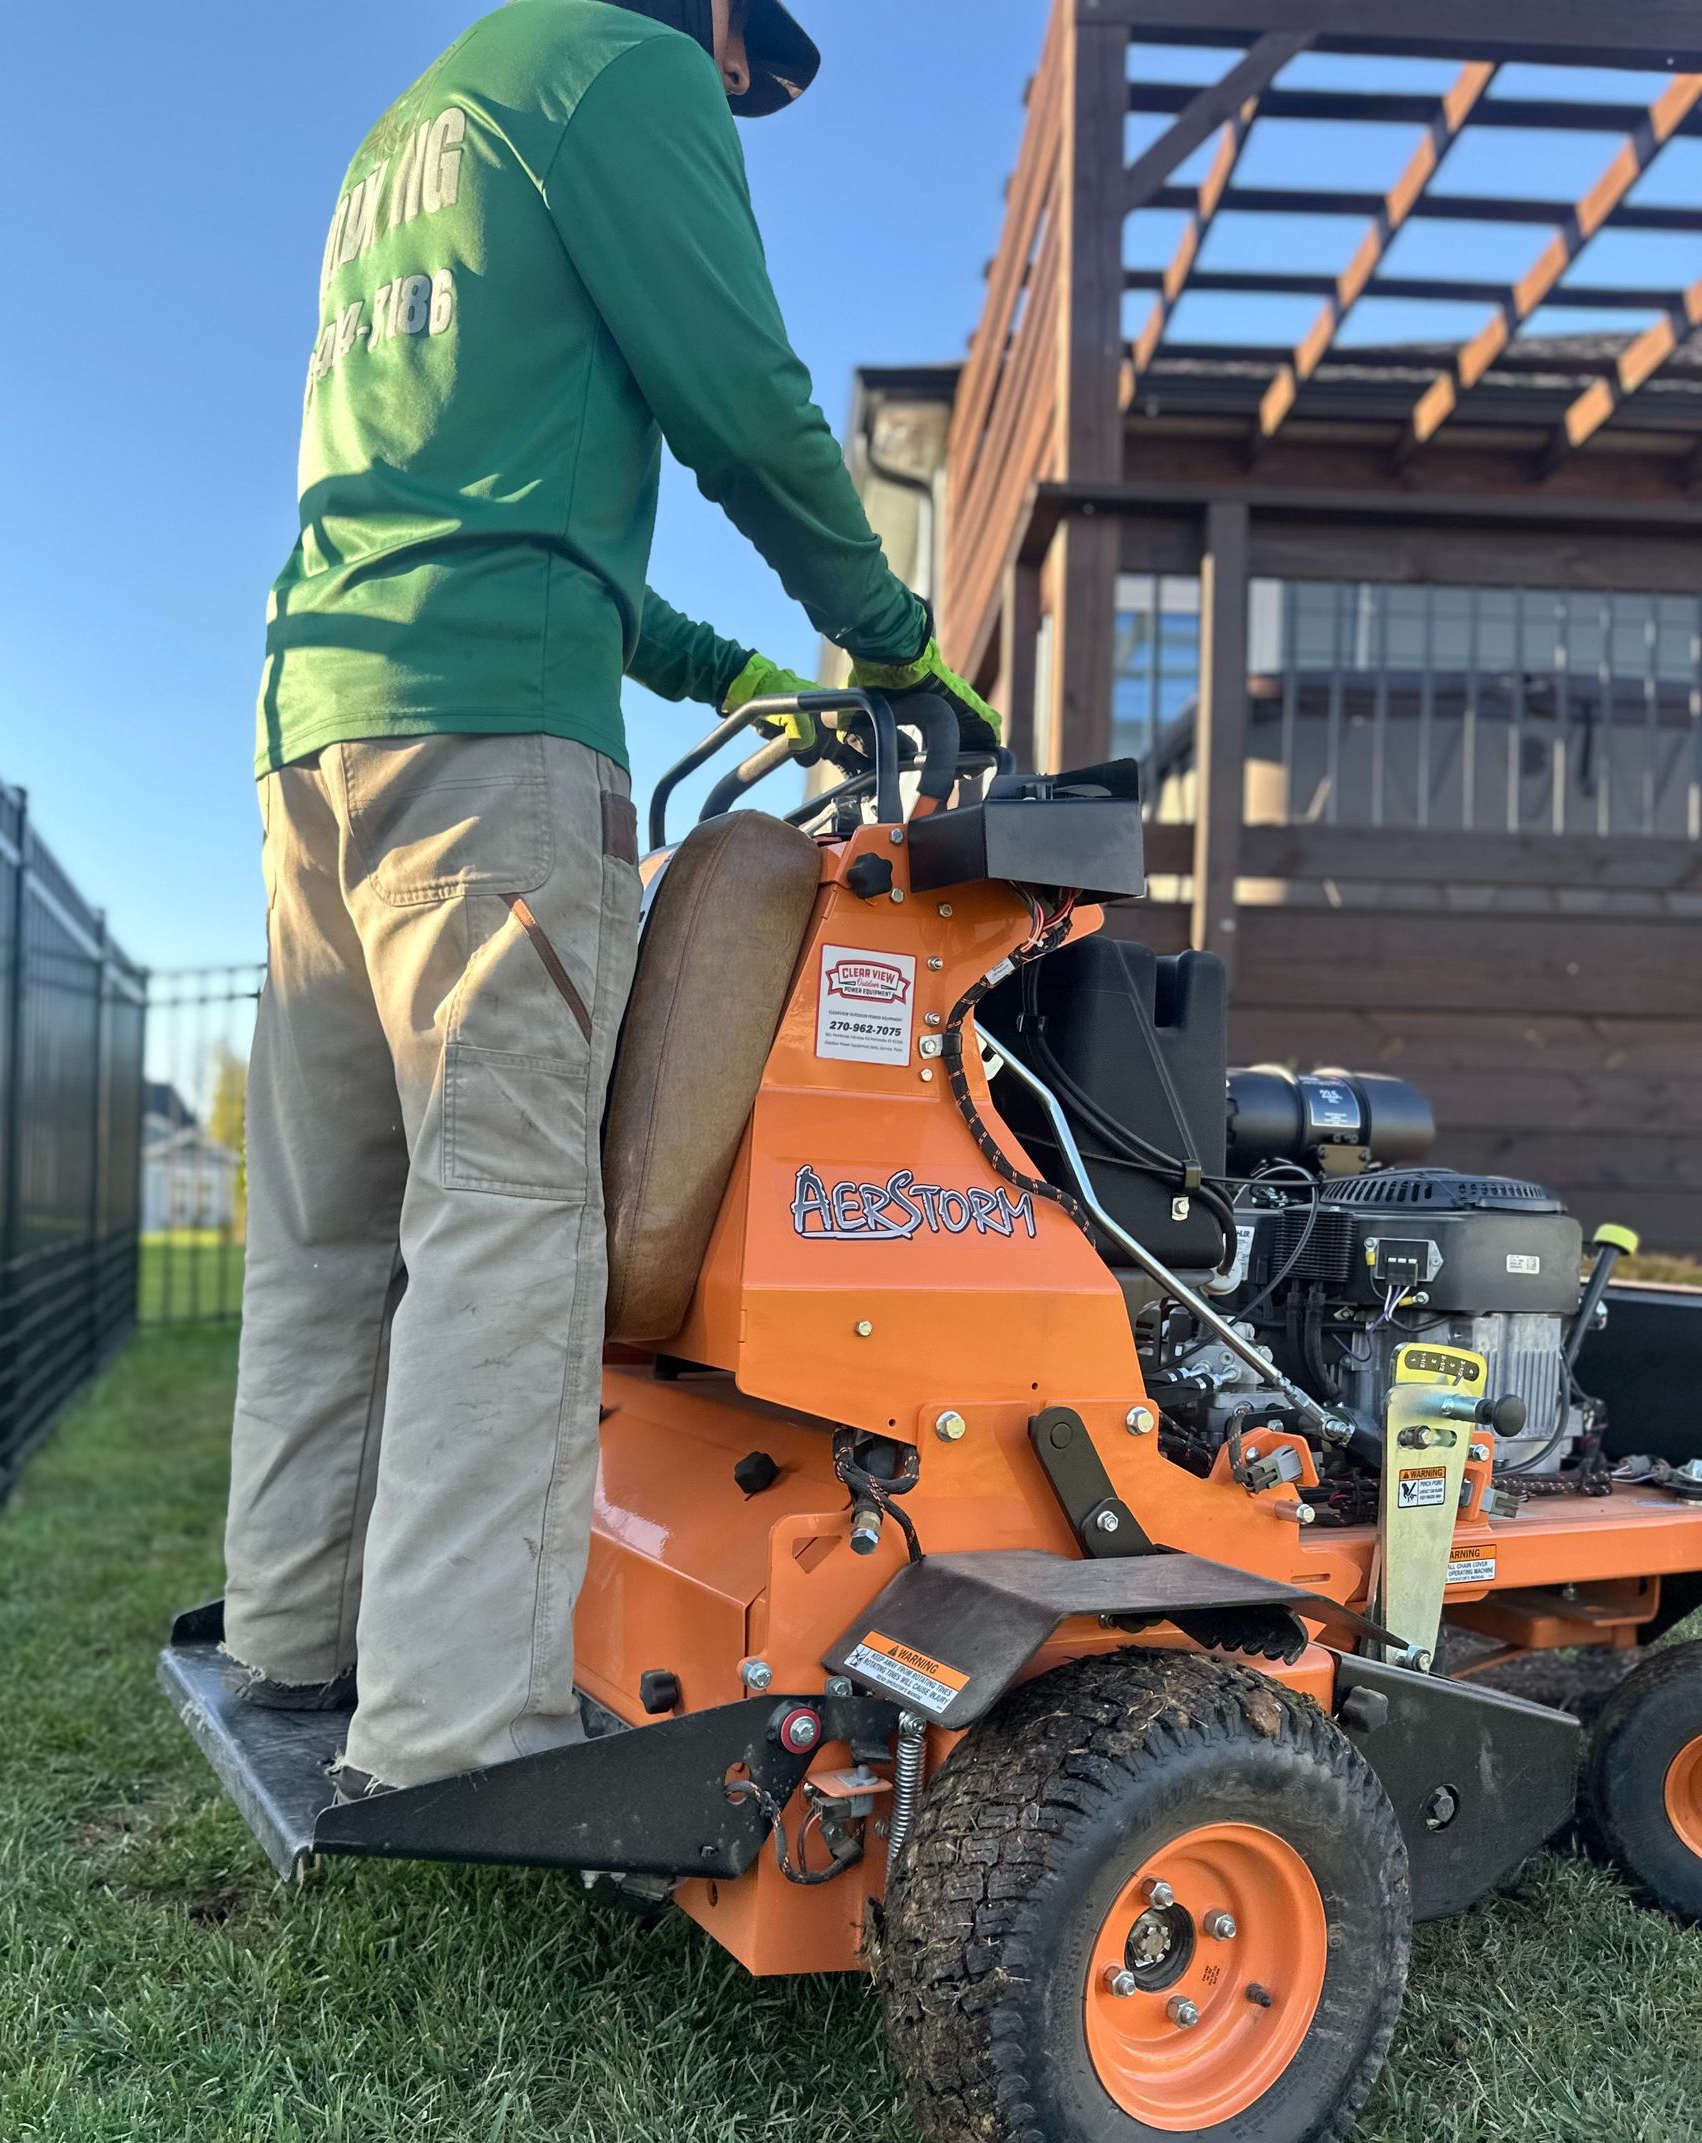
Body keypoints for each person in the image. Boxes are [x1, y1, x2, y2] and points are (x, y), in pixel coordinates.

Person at [228, 0, 1001, 1797]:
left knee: (337, 1224)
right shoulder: (626, 69)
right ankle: (456, 1730)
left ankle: (294, 1634)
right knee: (511, 1220)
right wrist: (894, 646)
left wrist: (726, 668)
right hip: (492, 750)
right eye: (748, 70)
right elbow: (742, 401)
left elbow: (495, 511)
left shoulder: (421, 124)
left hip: (323, 734)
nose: (737, 100)